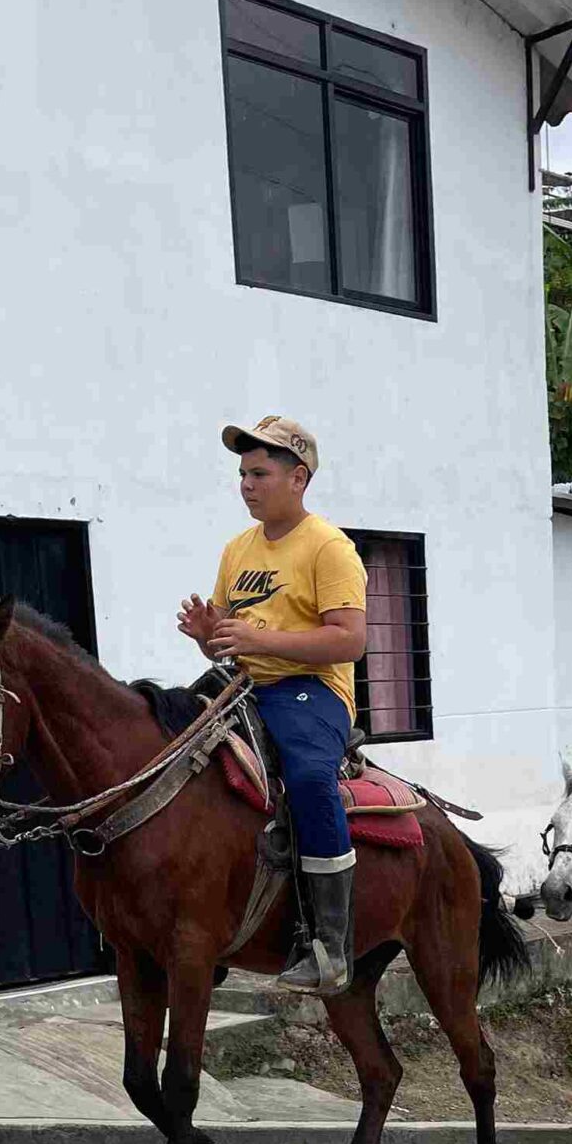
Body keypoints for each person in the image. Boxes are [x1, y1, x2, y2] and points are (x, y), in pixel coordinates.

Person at [178, 417, 367, 996]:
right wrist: (206, 637)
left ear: (298, 477)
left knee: (309, 776)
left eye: (259, 473)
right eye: (242, 473)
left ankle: (329, 945)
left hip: (310, 690)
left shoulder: (329, 548)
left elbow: (350, 640)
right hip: (240, 683)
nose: (246, 484)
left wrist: (260, 643)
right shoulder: (238, 550)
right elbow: (230, 639)